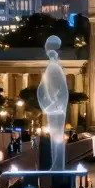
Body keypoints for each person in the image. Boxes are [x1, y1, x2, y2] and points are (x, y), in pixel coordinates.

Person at [38, 35, 70, 171]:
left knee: (56, 138)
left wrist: (52, 104)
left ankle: (57, 166)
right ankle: (57, 165)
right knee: (56, 138)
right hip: (55, 108)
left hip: (55, 109)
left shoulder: (53, 67)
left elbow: (60, 90)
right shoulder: (55, 67)